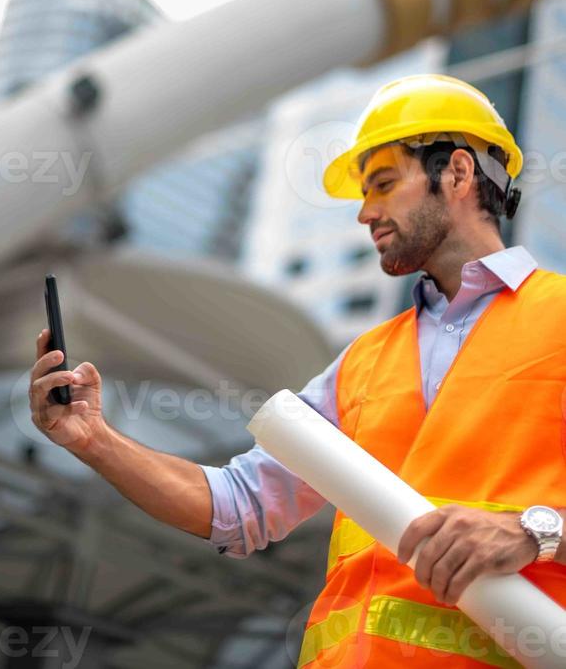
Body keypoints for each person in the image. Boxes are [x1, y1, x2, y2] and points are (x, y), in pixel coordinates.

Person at [29, 74, 566, 667]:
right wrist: (95, 440)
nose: (365, 212)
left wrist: (534, 531)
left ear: (458, 174)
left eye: (384, 184)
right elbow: (238, 506)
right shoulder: (363, 362)